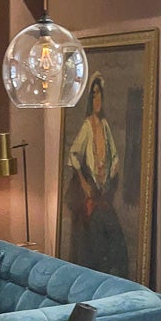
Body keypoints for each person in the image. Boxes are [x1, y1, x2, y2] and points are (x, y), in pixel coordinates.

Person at [64, 74, 131, 277]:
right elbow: (73, 154)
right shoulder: (87, 126)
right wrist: (84, 182)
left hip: (104, 192)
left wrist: (111, 172)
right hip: (90, 193)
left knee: (114, 236)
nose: (97, 100)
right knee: (94, 237)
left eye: (100, 95)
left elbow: (114, 156)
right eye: (94, 95)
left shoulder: (105, 126)